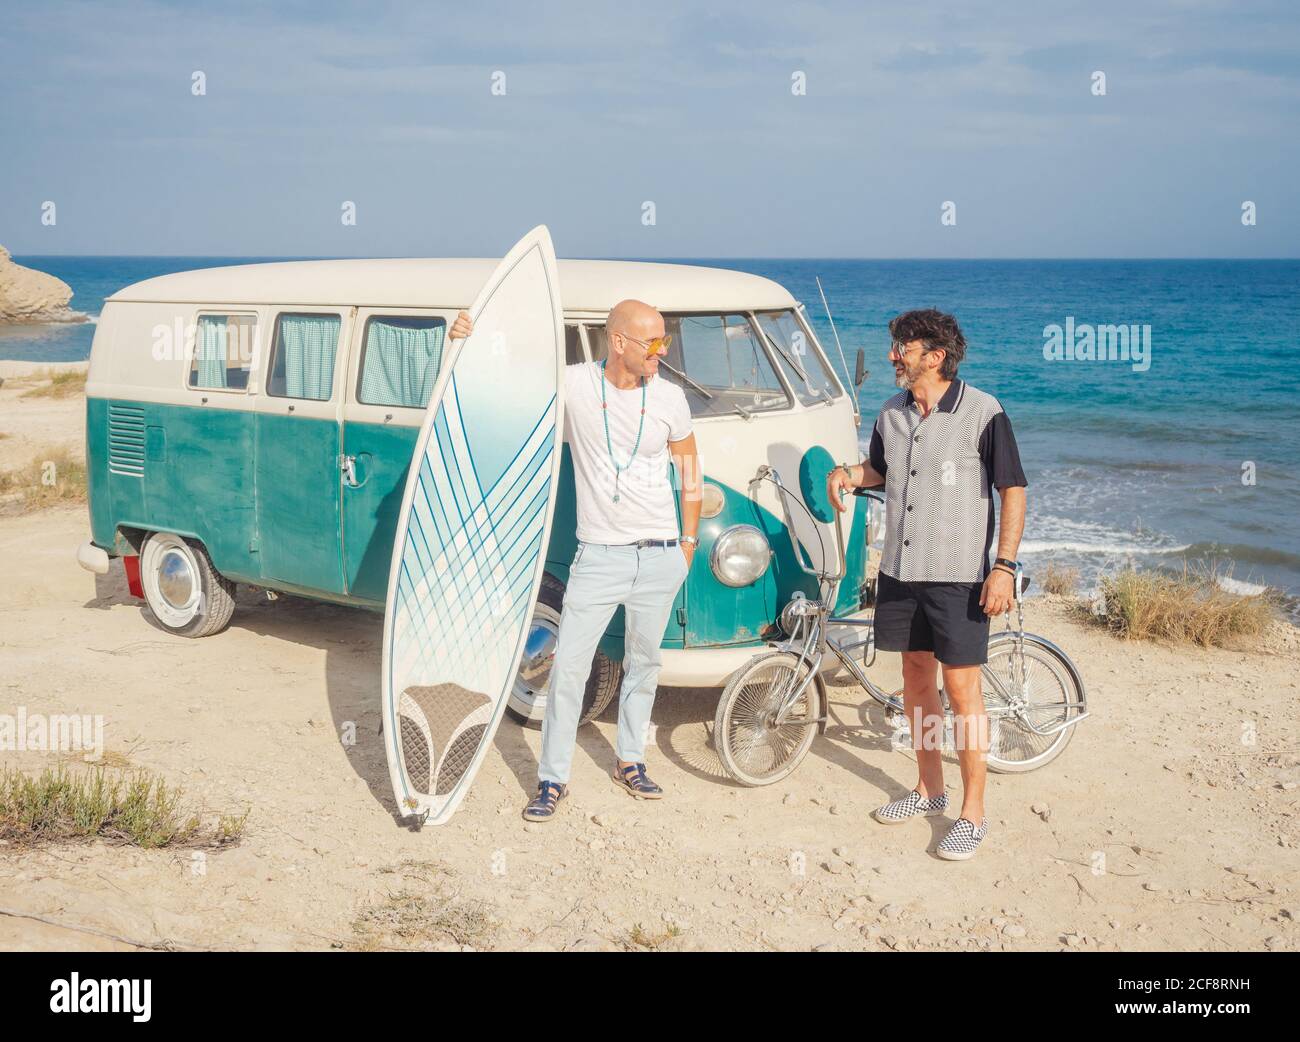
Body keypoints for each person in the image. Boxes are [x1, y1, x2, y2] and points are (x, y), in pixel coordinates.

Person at [449, 301, 702, 824]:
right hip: (599, 557)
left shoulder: (671, 398)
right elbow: (509, 377)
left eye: (665, 342)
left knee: (644, 664)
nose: (661, 352)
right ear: (619, 343)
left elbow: (690, 468)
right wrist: (469, 338)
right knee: (568, 669)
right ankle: (552, 779)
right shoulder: (576, 385)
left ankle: (630, 760)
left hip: (660, 555)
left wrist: (688, 544)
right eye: (652, 343)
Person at [827, 309, 1027, 861]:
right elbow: (880, 470)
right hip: (900, 570)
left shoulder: (984, 411)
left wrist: (1003, 566)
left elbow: (1012, 491)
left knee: (964, 694)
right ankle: (929, 790)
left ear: (934, 356)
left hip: (961, 576)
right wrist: (849, 475)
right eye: (895, 347)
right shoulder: (891, 413)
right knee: (916, 679)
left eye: (902, 347)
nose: (894, 355)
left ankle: (973, 813)